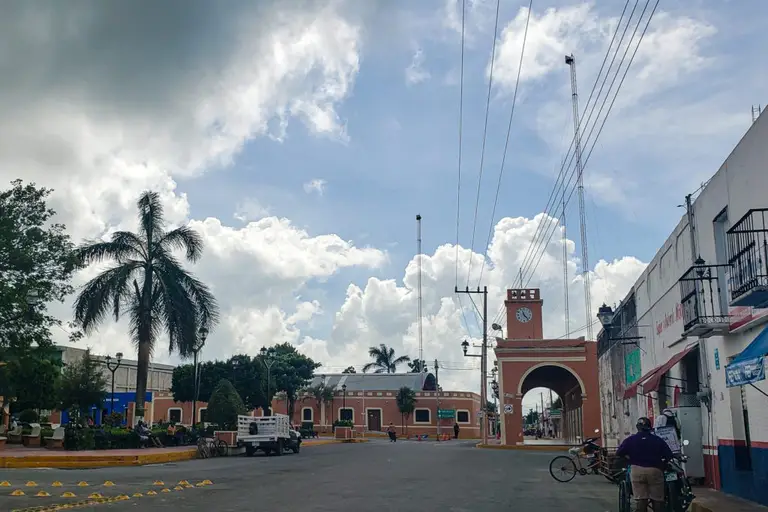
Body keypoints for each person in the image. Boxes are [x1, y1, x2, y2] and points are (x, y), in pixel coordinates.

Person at [617, 417, 674, 512]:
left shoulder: (630, 440)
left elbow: (619, 453)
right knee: (657, 499)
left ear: (637, 427)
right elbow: (668, 455)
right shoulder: (657, 440)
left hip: (637, 469)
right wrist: (662, 464)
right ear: (650, 427)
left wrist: (629, 458)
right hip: (654, 470)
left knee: (641, 498)